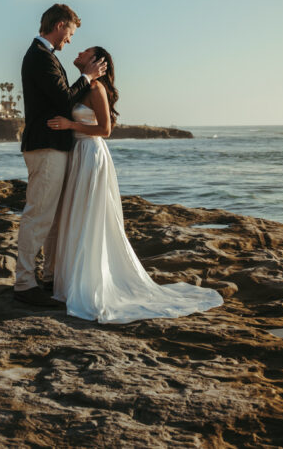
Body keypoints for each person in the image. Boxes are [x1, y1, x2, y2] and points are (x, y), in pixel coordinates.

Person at [47, 47, 224, 324]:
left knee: (90, 217)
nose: (79, 50)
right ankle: (72, 282)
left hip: (92, 155)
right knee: (75, 215)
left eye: (86, 51)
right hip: (77, 155)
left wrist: (70, 124)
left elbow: (105, 130)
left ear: (95, 61)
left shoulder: (97, 90)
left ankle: (92, 283)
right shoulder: (80, 87)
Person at [15, 4, 107, 307]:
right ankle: (25, 283)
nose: (69, 40)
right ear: (60, 24)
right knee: (38, 214)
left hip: (56, 147)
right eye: (70, 33)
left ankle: (48, 276)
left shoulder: (47, 57)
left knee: (52, 217)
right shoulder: (39, 57)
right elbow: (64, 98)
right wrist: (88, 76)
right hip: (45, 146)